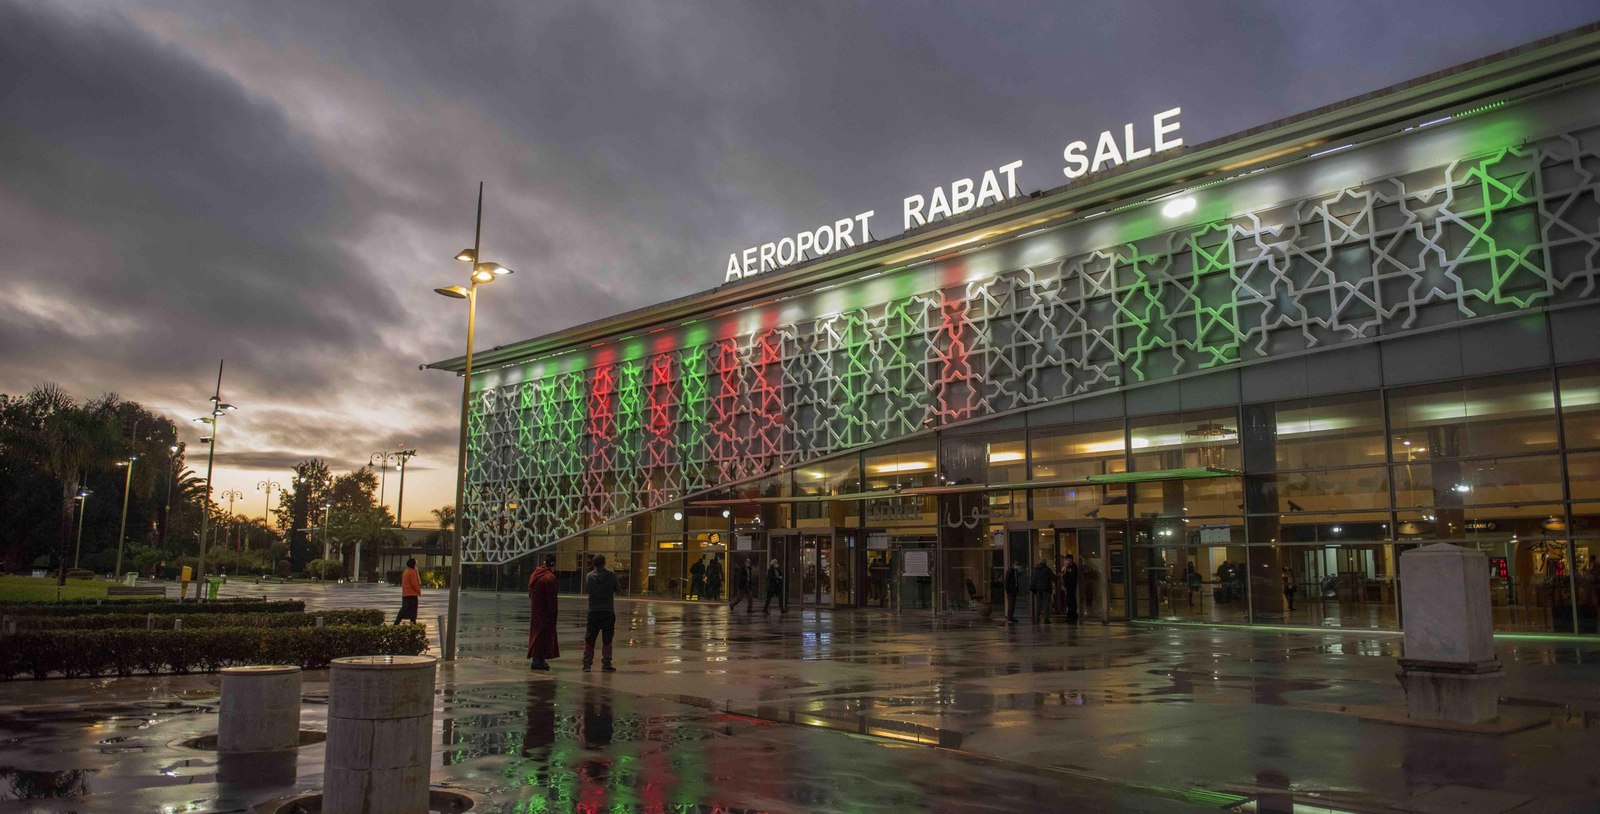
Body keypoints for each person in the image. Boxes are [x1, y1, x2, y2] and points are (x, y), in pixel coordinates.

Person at [583, 555, 620, 672]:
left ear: (594, 564)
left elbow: (587, 589)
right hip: (607, 611)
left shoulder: (589, 576)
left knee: (590, 638)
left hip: (593, 611)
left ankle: (587, 663)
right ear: (604, 563)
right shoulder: (611, 576)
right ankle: (606, 663)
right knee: (607, 638)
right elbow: (617, 588)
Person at [526, 553, 560, 671]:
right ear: (553, 564)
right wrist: (554, 611)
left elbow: (530, 592)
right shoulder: (550, 578)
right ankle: (538, 660)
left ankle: (537, 659)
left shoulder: (534, 575)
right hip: (546, 612)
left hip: (535, 610)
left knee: (536, 635)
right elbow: (552, 598)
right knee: (544, 636)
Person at [395, 558, 420, 625]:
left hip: (406, 593)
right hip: (412, 594)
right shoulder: (412, 572)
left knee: (404, 609)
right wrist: (418, 591)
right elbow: (414, 584)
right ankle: (412, 624)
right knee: (413, 611)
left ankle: (397, 622)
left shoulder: (406, 571)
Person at [1030, 557, 1056, 623]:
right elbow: (1053, 577)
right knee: (1046, 604)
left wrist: (1033, 588)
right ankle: (1046, 619)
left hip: (1038, 589)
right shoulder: (1047, 569)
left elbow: (1032, 579)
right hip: (1046, 589)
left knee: (1038, 604)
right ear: (1045, 563)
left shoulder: (1035, 569)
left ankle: (1037, 618)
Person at [1060, 554, 1081, 623]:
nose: (1065, 561)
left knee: (1071, 600)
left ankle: (1072, 615)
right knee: (1069, 600)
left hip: (1071, 586)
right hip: (1069, 586)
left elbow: (1071, 576)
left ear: (1070, 559)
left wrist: (1064, 576)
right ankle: (1070, 615)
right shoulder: (1069, 566)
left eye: (1066, 559)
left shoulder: (1073, 566)